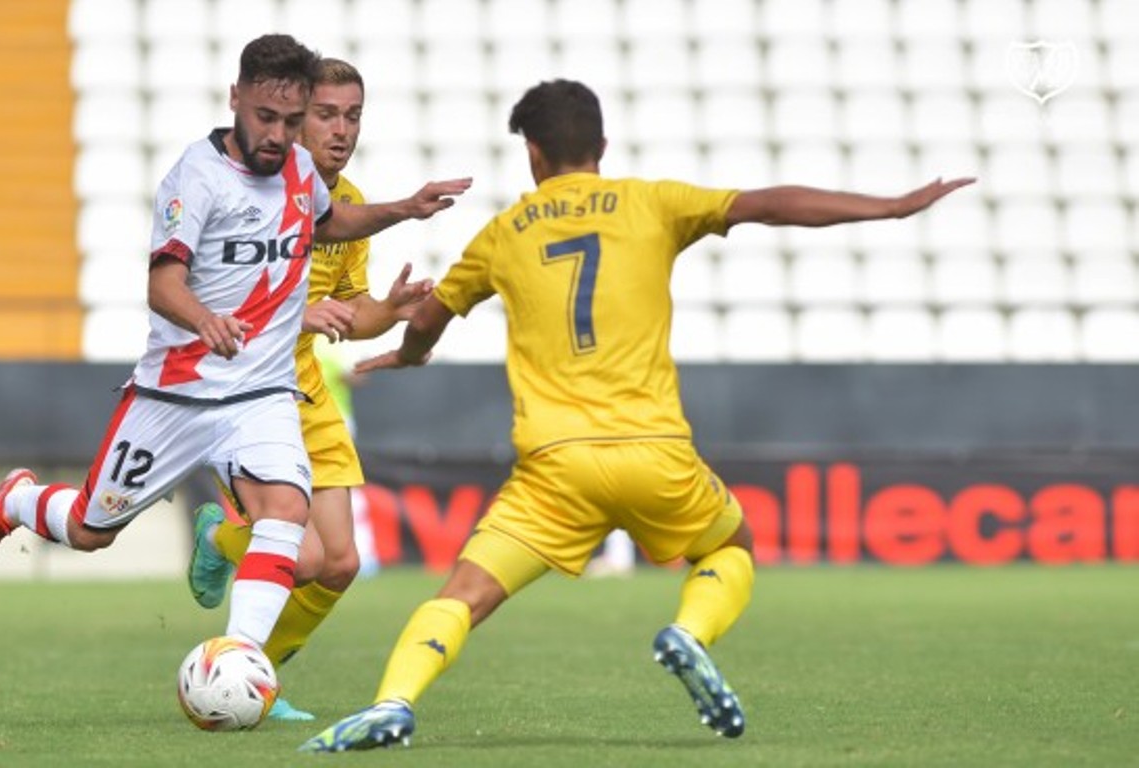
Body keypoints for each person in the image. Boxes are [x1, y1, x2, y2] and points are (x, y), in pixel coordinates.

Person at [301, 79, 973, 752]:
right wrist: (889, 208)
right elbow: (771, 205)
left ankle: (394, 701)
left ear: (532, 154)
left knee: (465, 593)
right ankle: (689, 630)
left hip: (555, 468)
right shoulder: (653, 203)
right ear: (602, 145)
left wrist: (410, 356)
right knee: (727, 549)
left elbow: (429, 317)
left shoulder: (502, 235)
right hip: (655, 451)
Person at [0, 35, 469, 666]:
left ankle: (240, 660)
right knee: (93, 529)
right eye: (264, 117)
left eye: (289, 121)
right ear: (235, 99)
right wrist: (206, 320)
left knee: (285, 513)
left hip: (262, 391)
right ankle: (17, 500)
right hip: (178, 389)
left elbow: (330, 221)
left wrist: (403, 210)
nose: (277, 135)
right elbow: (162, 284)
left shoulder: (300, 172)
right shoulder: (194, 179)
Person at [187, 57, 420, 721]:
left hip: (305, 390)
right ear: (295, 118)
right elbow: (204, 294)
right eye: (326, 114)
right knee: (307, 553)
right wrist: (293, 313)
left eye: (352, 116)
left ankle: (260, 679)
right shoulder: (249, 189)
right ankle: (217, 539)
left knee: (340, 563)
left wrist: (391, 309)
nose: (341, 130)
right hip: (239, 387)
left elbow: (351, 311)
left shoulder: (348, 207)